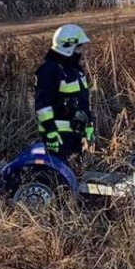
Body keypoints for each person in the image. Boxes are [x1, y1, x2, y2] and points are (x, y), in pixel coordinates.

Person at [34, 24, 94, 164]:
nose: (81, 51)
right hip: (56, 136)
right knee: (57, 177)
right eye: (78, 47)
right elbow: (42, 105)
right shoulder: (49, 71)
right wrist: (50, 132)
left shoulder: (76, 70)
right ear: (68, 47)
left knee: (74, 174)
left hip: (75, 134)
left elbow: (83, 101)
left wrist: (89, 126)